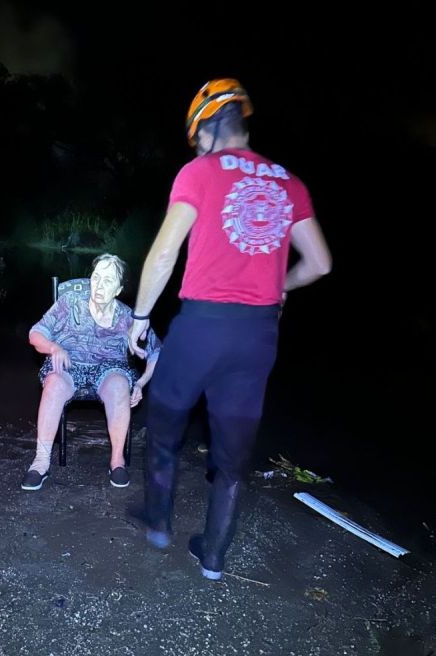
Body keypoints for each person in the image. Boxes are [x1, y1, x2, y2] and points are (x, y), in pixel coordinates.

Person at [127, 79, 332, 580]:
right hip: (258, 334)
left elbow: (164, 252)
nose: (196, 146)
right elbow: (321, 264)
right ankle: (214, 556)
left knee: (166, 423)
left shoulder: (199, 171)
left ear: (206, 128)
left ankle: (158, 522)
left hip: (202, 324)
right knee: (233, 453)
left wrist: (139, 316)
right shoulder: (290, 182)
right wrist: (280, 286)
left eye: (196, 136)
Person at [22, 253, 161, 491]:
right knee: (54, 382)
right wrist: (53, 347)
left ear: (118, 289)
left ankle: (117, 461)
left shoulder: (128, 318)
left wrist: (140, 383)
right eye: (96, 277)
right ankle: (41, 462)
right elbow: (35, 333)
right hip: (69, 364)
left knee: (120, 384)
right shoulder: (70, 302)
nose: (99, 285)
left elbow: (157, 352)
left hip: (109, 369)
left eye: (108, 280)